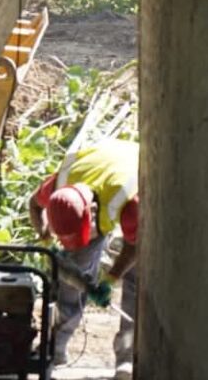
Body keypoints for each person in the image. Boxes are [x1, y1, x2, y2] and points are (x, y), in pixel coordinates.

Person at [27, 137, 139, 378]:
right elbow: (33, 205)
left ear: (93, 213)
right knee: (72, 275)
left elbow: (135, 246)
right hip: (98, 174)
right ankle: (54, 348)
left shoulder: (129, 199)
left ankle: (127, 358)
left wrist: (111, 278)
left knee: (137, 278)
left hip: (127, 170)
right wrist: (45, 236)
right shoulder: (59, 186)